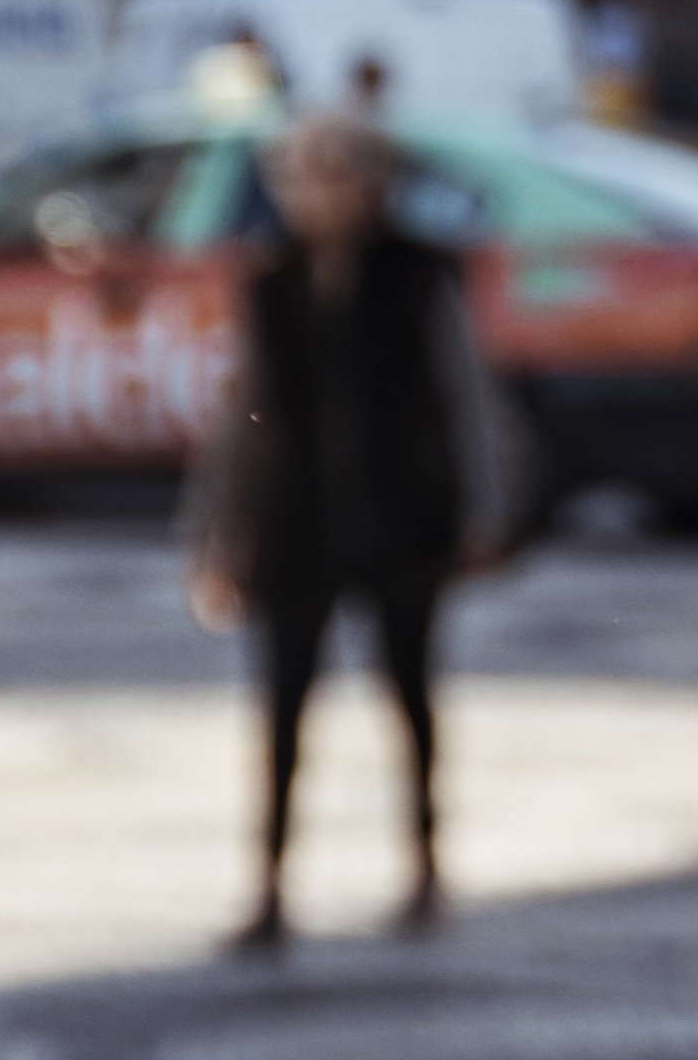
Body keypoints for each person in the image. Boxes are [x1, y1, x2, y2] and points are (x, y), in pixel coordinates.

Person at [184, 111, 520, 954]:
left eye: (336, 175)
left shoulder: (418, 272)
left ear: (374, 185)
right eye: (302, 177)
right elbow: (242, 416)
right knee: (284, 704)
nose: (318, 194)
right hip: (296, 519)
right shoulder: (271, 278)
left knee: (408, 694)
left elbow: (464, 394)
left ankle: (423, 861)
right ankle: (268, 882)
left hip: (400, 514)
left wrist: (482, 507)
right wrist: (219, 534)